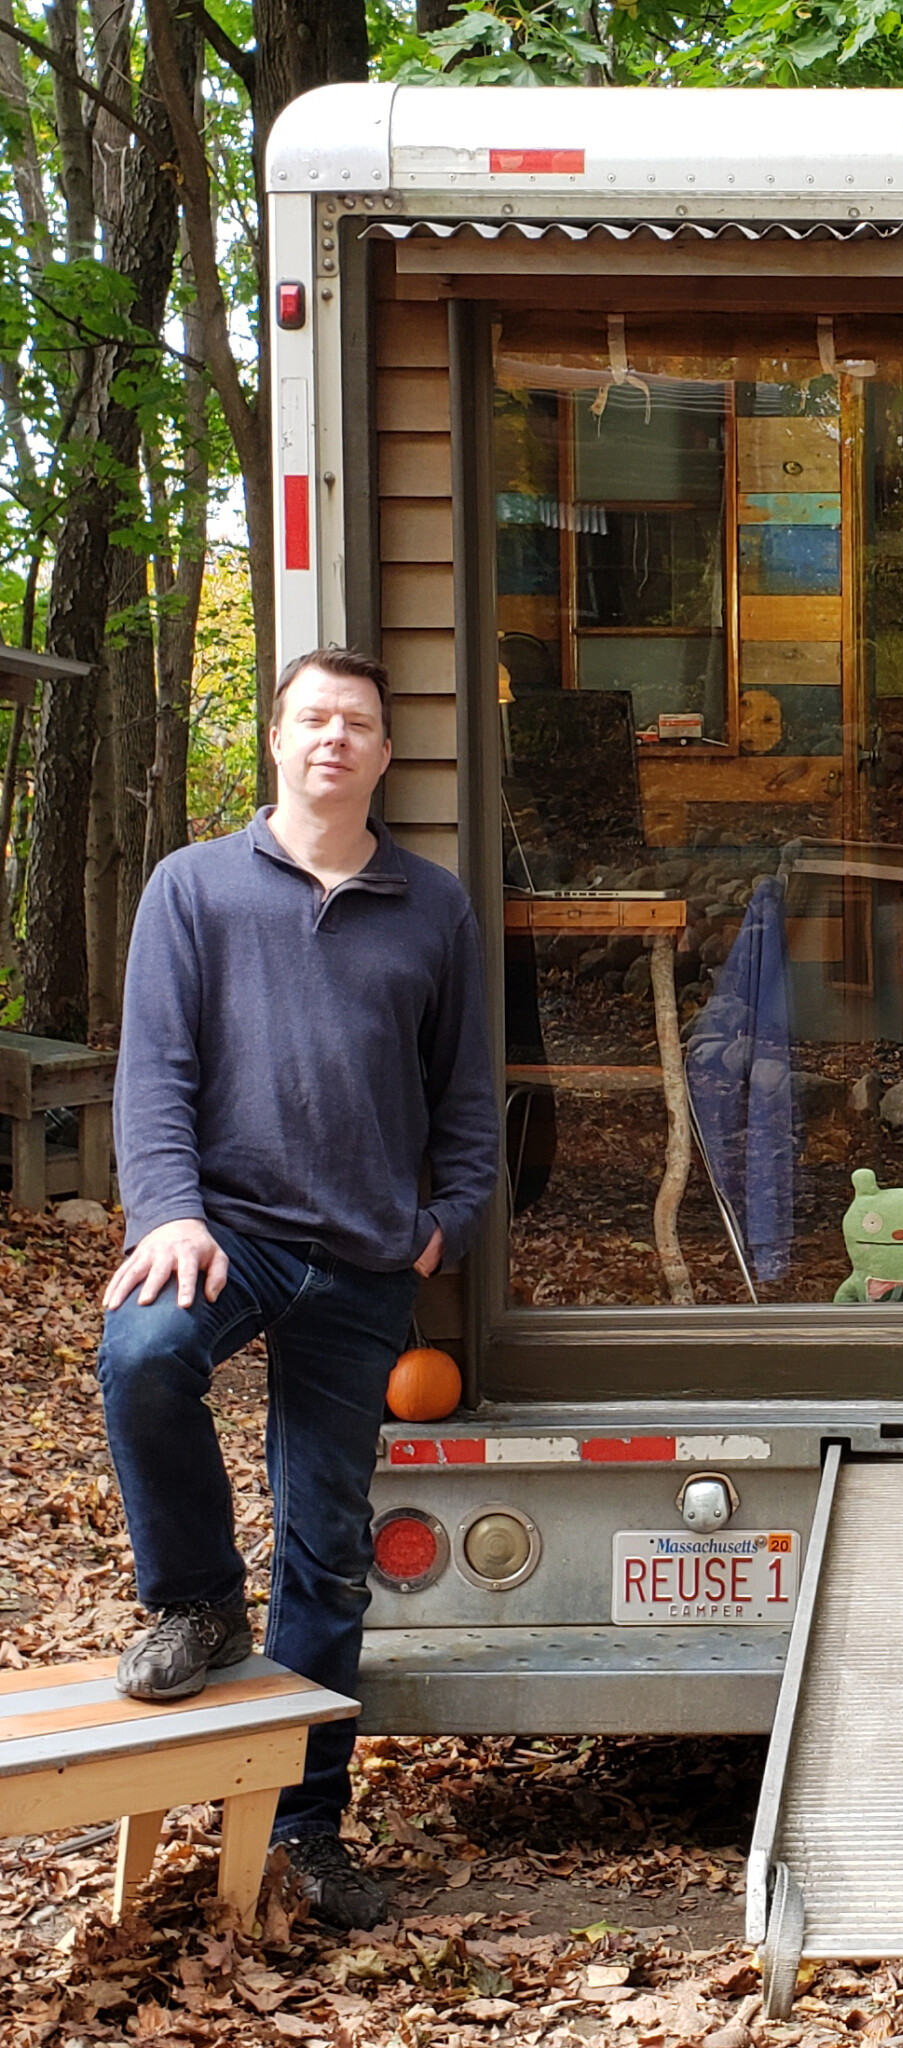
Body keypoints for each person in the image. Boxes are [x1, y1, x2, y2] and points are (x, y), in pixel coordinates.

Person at [98, 649, 498, 1929]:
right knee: (144, 1355)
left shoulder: (431, 907)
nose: (335, 738)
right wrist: (167, 1211)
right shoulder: (193, 887)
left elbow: (467, 1097)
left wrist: (444, 1226)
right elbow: (152, 1071)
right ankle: (198, 1597)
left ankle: (309, 1829)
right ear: (277, 739)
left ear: (384, 755)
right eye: (314, 717)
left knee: (327, 1556)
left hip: (366, 1260)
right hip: (231, 1235)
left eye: (359, 723)